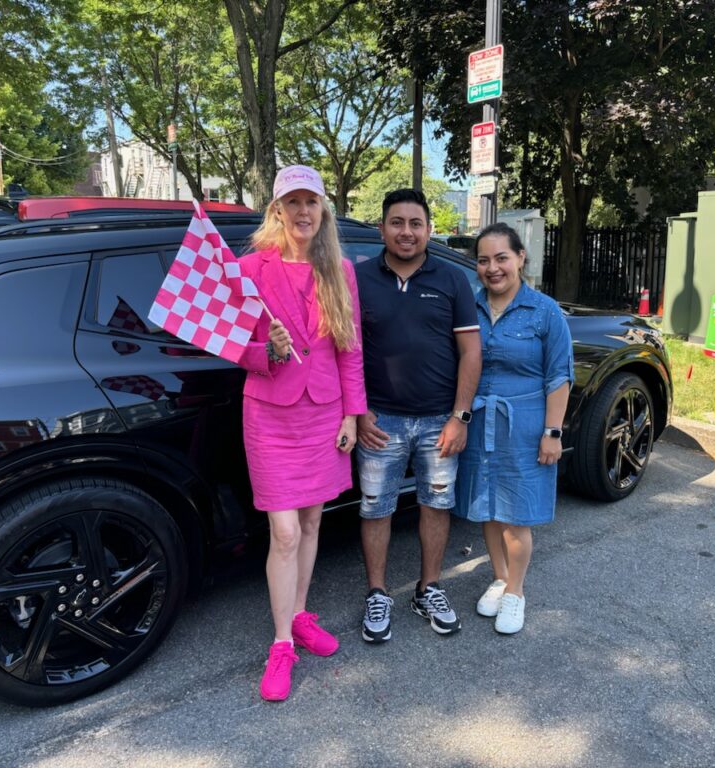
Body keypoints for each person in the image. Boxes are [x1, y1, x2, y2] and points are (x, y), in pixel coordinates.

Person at [236, 164, 366, 701]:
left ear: (323, 211)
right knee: (284, 532)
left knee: (312, 523)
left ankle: (303, 613)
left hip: (324, 414)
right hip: (270, 414)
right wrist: (265, 352)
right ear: (277, 211)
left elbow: (351, 351)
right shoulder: (248, 269)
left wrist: (352, 415)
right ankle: (282, 642)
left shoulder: (340, 270)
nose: (303, 212)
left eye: (312, 202)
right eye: (293, 202)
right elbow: (220, 342)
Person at [355, 189, 482, 643]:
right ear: (381, 228)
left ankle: (429, 588)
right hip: (378, 423)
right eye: (396, 222)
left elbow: (471, 352)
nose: (406, 231)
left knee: (436, 504)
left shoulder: (451, 280)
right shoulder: (359, 279)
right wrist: (358, 411)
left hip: (439, 422)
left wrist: (460, 417)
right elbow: (346, 352)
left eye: (415, 223)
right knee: (376, 509)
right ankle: (377, 592)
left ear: (428, 229)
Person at [453, 222, 574, 634]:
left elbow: (559, 375)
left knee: (516, 514)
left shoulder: (545, 311)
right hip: (480, 421)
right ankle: (501, 578)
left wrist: (552, 432)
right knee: (488, 508)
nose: (493, 268)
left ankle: (516, 592)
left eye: (501, 257)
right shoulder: (469, 307)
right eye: (483, 260)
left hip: (524, 425)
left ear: (521, 257)